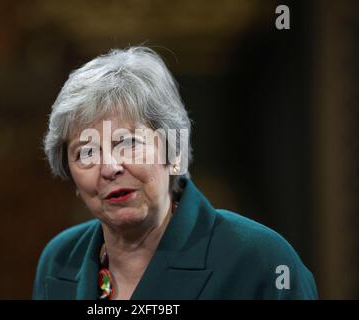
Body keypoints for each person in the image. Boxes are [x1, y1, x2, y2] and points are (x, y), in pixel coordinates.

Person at [33, 46, 318, 299]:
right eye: (87, 152)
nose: (110, 168)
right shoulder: (59, 260)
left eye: (128, 143)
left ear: (173, 152)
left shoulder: (260, 261)